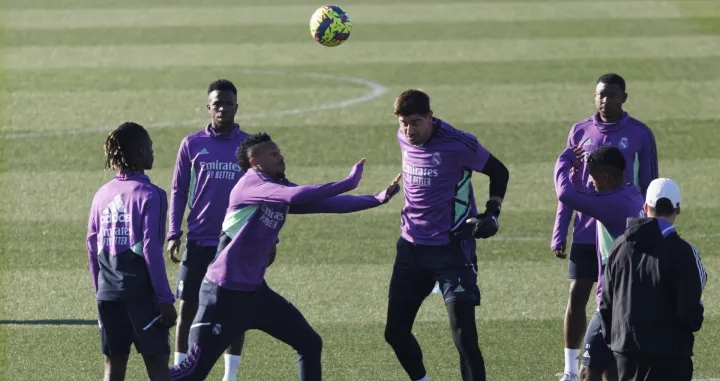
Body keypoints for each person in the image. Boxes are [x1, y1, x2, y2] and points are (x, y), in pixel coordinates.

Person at [169, 133, 401, 380]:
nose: (281, 157)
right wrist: (348, 181)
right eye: (273, 153)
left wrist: (378, 198)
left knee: (310, 343)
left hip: (255, 295)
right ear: (255, 162)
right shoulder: (250, 184)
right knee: (193, 373)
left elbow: (328, 203)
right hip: (222, 297)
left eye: (279, 152)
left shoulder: (277, 187)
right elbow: (296, 196)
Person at [385, 89, 510, 381]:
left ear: (430, 117)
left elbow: (499, 171)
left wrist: (492, 212)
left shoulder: (459, 143)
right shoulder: (403, 137)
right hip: (411, 249)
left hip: (453, 249)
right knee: (395, 332)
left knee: (464, 338)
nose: (408, 130)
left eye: (415, 122)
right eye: (403, 123)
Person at [552, 73, 659, 381]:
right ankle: (572, 370)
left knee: (615, 301)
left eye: (612, 95)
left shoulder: (640, 134)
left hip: (621, 232)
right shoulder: (580, 131)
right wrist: (561, 230)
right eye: (600, 95)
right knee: (578, 294)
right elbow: (571, 187)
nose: (605, 101)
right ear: (593, 96)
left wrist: (650, 232)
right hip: (587, 231)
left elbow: (650, 183)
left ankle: (610, 365)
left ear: (624, 98)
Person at [166, 79, 254, 381]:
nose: (222, 108)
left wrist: (270, 238)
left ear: (236, 107)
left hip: (236, 242)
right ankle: (178, 370)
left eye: (228, 103)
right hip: (200, 239)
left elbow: (267, 192)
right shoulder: (192, 144)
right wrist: (173, 231)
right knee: (187, 308)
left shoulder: (249, 146)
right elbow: (178, 190)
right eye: (217, 103)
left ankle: (229, 377)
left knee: (234, 313)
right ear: (208, 107)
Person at [86, 122, 177, 381]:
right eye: (149, 147)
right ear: (140, 152)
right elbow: (151, 250)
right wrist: (165, 299)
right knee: (158, 368)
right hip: (140, 297)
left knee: (113, 369)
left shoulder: (101, 194)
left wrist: (99, 291)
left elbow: (91, 246)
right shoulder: (152, 195)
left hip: (108, 295)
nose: (152, 151)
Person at [600, 178, 707, 381]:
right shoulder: (682, 251)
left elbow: (606, 303)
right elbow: (689, 311)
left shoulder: (619, 246)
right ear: (677, 210)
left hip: (626, 351)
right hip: (669, 355)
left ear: (646, 206)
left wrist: (615, 341)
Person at [554, 145, 645, 381]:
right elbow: (583, 194)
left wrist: (564, 160)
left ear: (605, 177)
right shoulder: (629, 194)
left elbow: (565, 194)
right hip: (630, 298)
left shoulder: (612, 204)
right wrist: (576, 174)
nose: (591, 182)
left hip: (612, 302)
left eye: (592, 177)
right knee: (612, 371)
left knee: (587, 371)